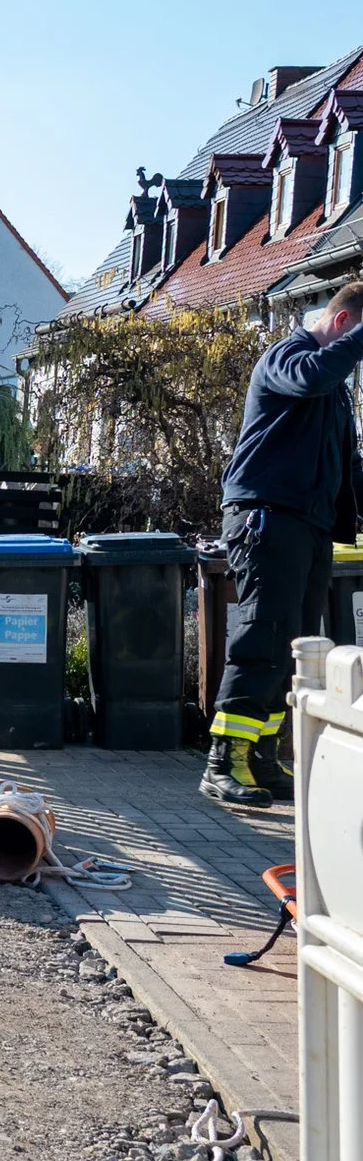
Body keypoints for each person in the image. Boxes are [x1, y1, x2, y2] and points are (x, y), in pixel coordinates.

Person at [206, 281, 363, 805]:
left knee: (294, 645)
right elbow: (312, 376)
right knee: (264, 636)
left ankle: (261, 758)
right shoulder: (288, 355)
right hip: (267, 518)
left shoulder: (335, 392)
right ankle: (222, 762)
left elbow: (349, 466)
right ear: (343, 325)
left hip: (309, 527)